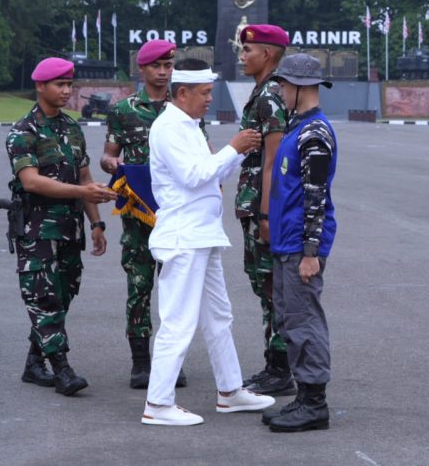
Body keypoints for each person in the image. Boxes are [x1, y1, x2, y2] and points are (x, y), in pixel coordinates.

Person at [141, 59, 275, 426]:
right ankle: (158, 404)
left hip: (202, 235)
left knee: (219, 317)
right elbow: (194, 175)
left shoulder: (189, 125)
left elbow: (210, 173)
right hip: (184, 237)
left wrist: (239, 151)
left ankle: (231, 392)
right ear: (182, 93)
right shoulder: (169, 127)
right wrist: (233, 148)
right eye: (204, 94)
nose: (208, 100)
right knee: (178, 322)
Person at [6, 57, 117, 396]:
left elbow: (84, 177)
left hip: (70, 230)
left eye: (70, 85)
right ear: (41, 86)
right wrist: (84, 192)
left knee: (65, 295)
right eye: (60, 85)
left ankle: (34, 362)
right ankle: (62, 369)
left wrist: (97, 223)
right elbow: (32, 182)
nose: (67, 91)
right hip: (37, 231)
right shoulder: (23, 132)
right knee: (43, 298)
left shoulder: (71, 128)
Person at [100, 40, 191, 389]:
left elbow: (200, 151)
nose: (164, 71)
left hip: (176, 213)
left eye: (168, 65)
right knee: (139, 285)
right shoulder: (124, 110)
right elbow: (108, 155)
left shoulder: (184, 107)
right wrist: (115, 164)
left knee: (176, 289)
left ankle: (171, 358)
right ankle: (141, 362)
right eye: (157, 65)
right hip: (139, 215)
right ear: (143, 70)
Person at [262, 53, 338, 432]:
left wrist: (311, 253)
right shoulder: (298, 126)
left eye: (283, 85)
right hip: (286, 242)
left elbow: (316, 197)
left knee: (305, 321)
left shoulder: (314, 135)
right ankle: (304, 397)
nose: (278, 90)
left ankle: (314, 404)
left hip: (299, 246)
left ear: (300, 88)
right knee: (292, 319)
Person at [235, 24, 295, 396]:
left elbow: (274, 160)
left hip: (263, 211)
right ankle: (275, 364)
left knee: (272, 288)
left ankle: (281, 368)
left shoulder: (269, 96)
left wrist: (267, 215)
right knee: (265, 287)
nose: (242, 57)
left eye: (248, 51)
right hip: (254, 208)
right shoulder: (262, 92)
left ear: (268, 54)